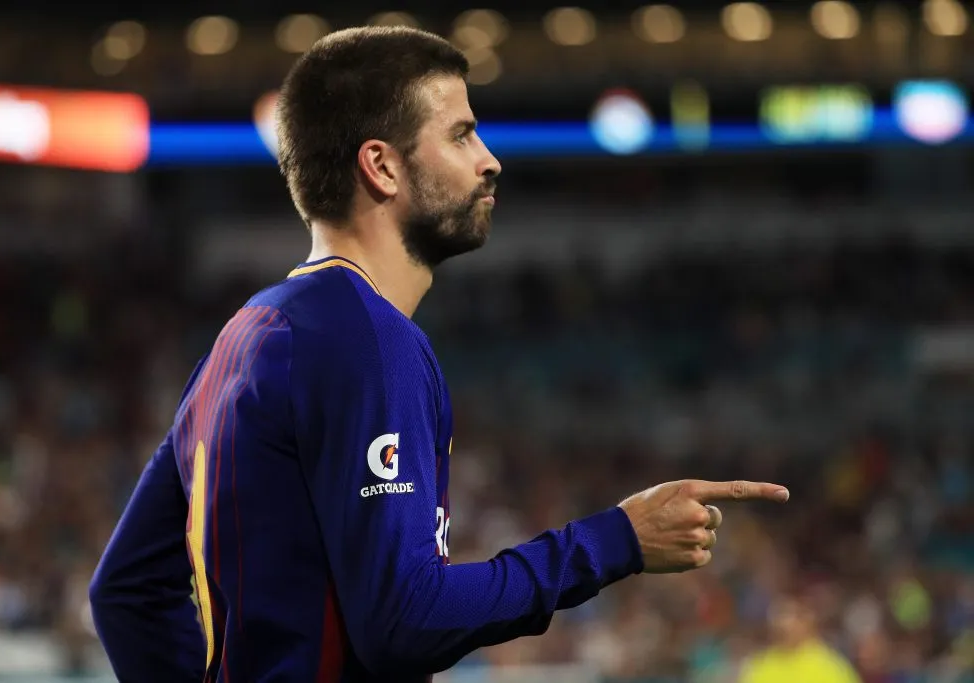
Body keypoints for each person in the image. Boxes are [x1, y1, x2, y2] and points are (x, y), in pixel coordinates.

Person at [89, 26, 790, 683]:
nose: (491, 160)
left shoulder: (241, 336)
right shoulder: (367, 340)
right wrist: (617, 539)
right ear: (382, 167)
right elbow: (403, 619)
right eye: (461, 135)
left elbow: (125, 590)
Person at [738, 596, 862, 683]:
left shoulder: (831, 667)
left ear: (807, 621)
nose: (784, 625)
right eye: (780, 616)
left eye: (792, 617)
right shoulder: (760, 666)